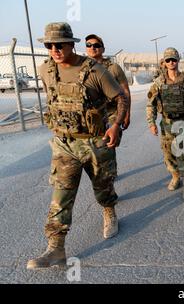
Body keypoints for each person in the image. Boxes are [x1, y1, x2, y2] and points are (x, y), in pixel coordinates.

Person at [27, 22, 129, 270]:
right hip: (64, 144)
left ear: (71, 44)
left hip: (95, 142)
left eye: (59, 44)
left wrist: (115, 125)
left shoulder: (96, 71)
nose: (54, 49)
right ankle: (56, 249)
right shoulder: (45, 70)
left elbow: (121, 98)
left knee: (103, 188)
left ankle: (109, 211)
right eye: (49, 45)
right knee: (61, 196)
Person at [147, 47, 184, 200]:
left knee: (182, 154)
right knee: (168, 154)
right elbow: (151, 103)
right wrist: (151, 122)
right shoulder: (158, 82)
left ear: (178, 61)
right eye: (168, 60)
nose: (171, 62)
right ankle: (175, 176)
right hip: (166, 123)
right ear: (164, 62)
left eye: (174, 59)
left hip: (183, 121)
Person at [85, 34, 131, 136]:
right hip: (91, 114)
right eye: (89, 45)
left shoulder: (113, 68)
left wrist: (127, 114)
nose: (92, 47)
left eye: (96, 45)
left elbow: (125, 91)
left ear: (103, 49)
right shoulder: (82, 69)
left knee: (107, 145)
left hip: (111, 113)